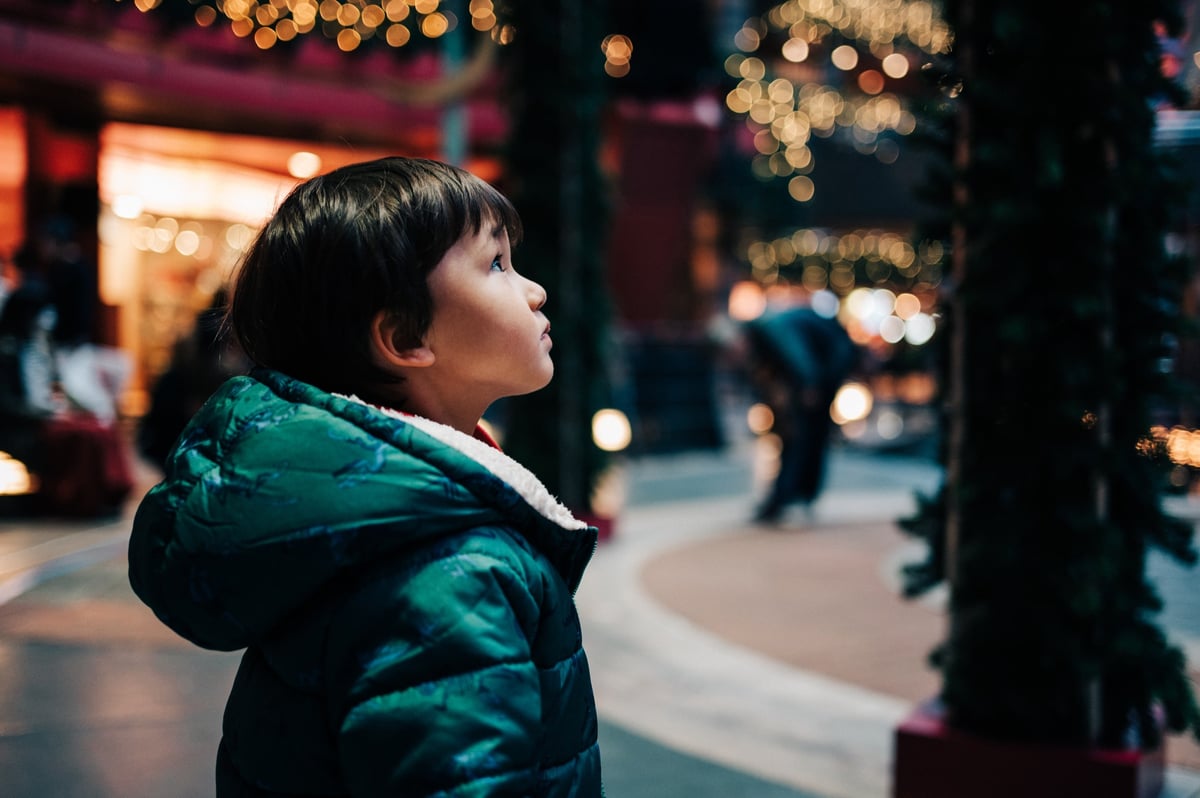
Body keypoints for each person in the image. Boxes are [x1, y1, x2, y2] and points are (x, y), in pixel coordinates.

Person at [126, 157, 603, 797]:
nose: (534, 290)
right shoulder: (446, 570)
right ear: (404, 337)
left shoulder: (374, 521)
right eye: (495, 264)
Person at [744, 301, 859, 524]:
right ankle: (793, 496)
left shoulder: (772, 329)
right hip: (820, 369)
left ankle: (793, 496)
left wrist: (810, 385)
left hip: (823, 370)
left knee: (807, 434)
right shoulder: (764, 336)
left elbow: (798, 354)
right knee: (803, 434)